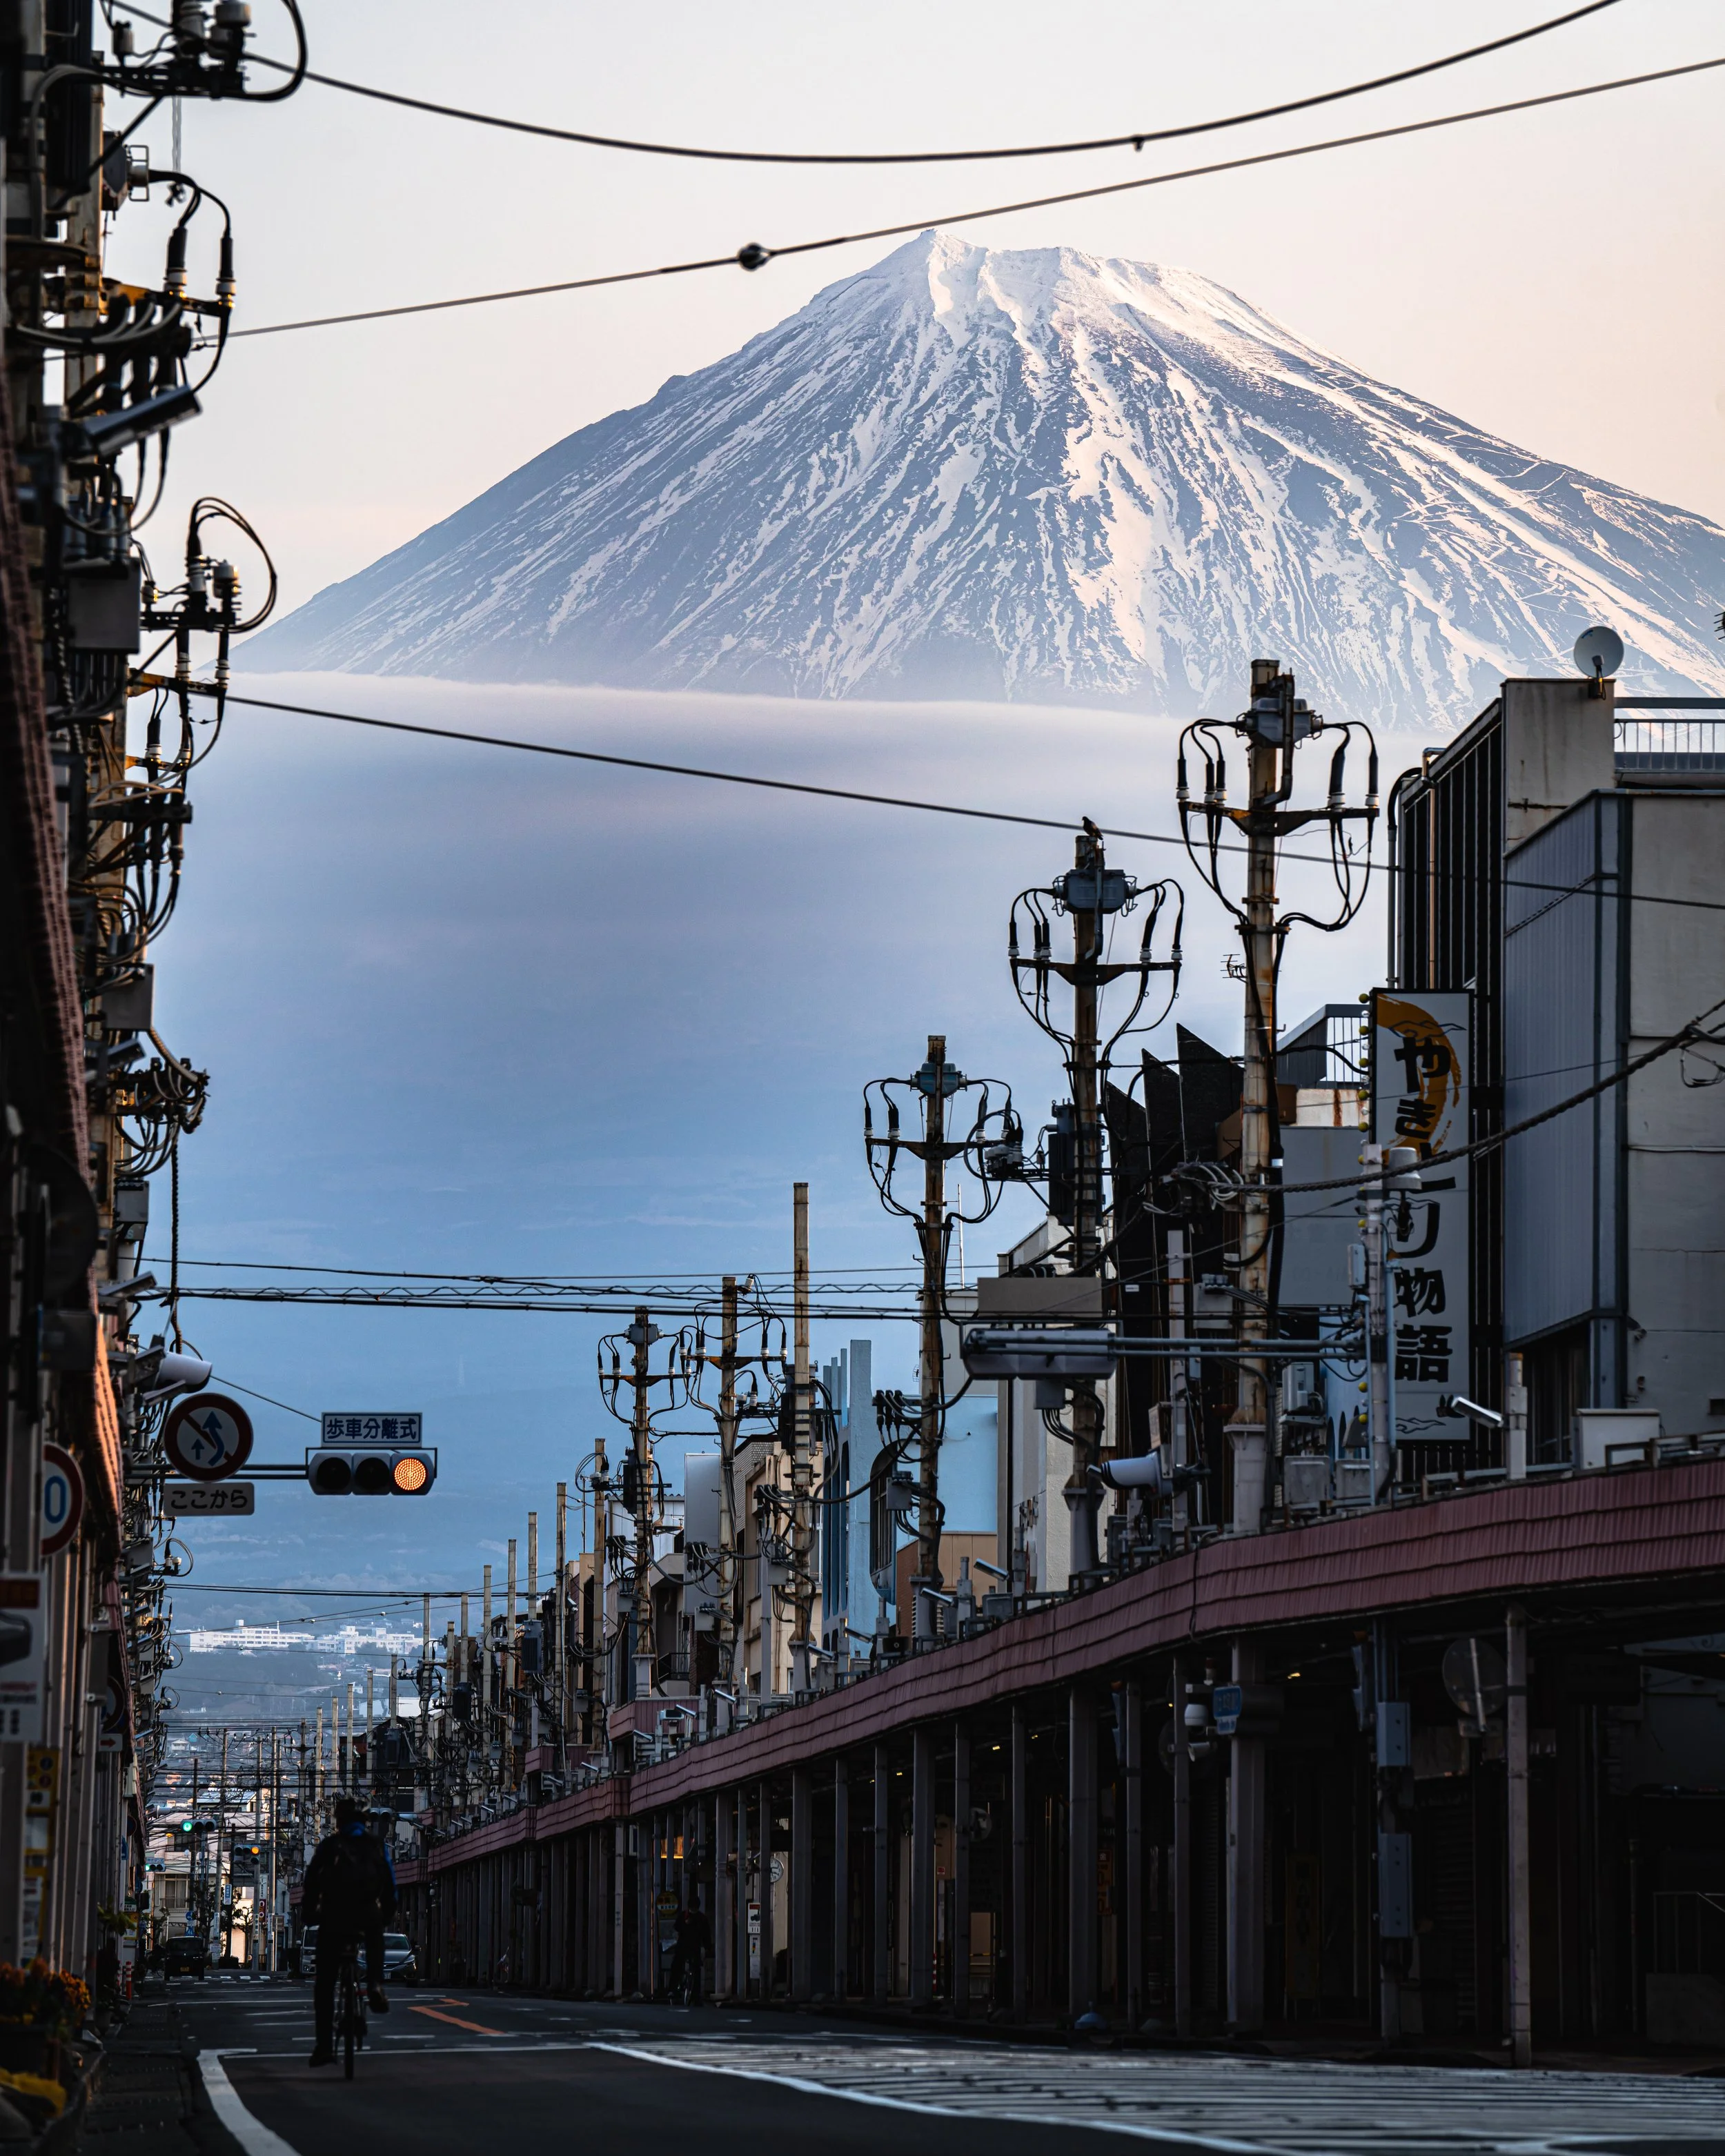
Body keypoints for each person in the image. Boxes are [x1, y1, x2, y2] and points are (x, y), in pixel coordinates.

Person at [301, 1797, 397, 2068]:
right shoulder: (376, 1846)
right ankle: (375, 1983)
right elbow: (390, 1884)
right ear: (365, 1822)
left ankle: (324, 2047)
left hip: (334, 1915)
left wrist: (310, 1915)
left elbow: (311, 1883)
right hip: (367, 1912)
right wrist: (387, 1913)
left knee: (325, 1984)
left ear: (338, 1822)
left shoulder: (330, 1846)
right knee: (375, 1938)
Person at [666, 1900, 711, 2006]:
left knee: (678, 1965)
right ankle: (695, 1994)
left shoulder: (684, 1916)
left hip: (684, 1946)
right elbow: (706, 1935)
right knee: (695, 1969)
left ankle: (673, 1990)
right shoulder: (702, 1918)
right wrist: (708, 1947)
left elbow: (676, 1929)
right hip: (694, 1947)